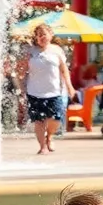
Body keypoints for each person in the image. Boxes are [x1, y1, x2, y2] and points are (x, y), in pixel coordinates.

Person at [19, 24, 75, 155]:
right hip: (34, 92)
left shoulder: (57, 50)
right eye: (38, 35)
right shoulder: (31, 51)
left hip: (54, 91)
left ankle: (49, 136)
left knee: (55, 119)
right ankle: (42, 146)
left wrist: (69, 86)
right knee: (38, 121)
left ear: (51, 35)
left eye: (44, 34)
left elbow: (64, 70)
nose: (41, 37)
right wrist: (21, 86)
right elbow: (21, 69)